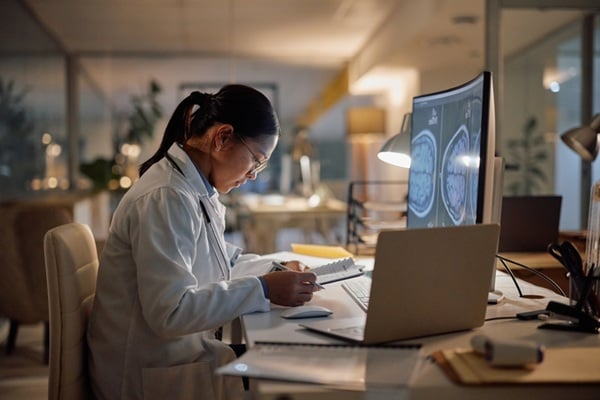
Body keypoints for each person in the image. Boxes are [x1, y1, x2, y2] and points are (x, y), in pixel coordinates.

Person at [87, 84, 318, 400]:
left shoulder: (192, 188)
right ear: (222, 138)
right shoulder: (166, 197)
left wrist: (276, 268)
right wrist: (264, 289)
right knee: (292, 377)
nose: (253, 175)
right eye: (256, 160)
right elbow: (171, 313)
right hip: (146, 374)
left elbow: (224, 261)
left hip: (170, 355)